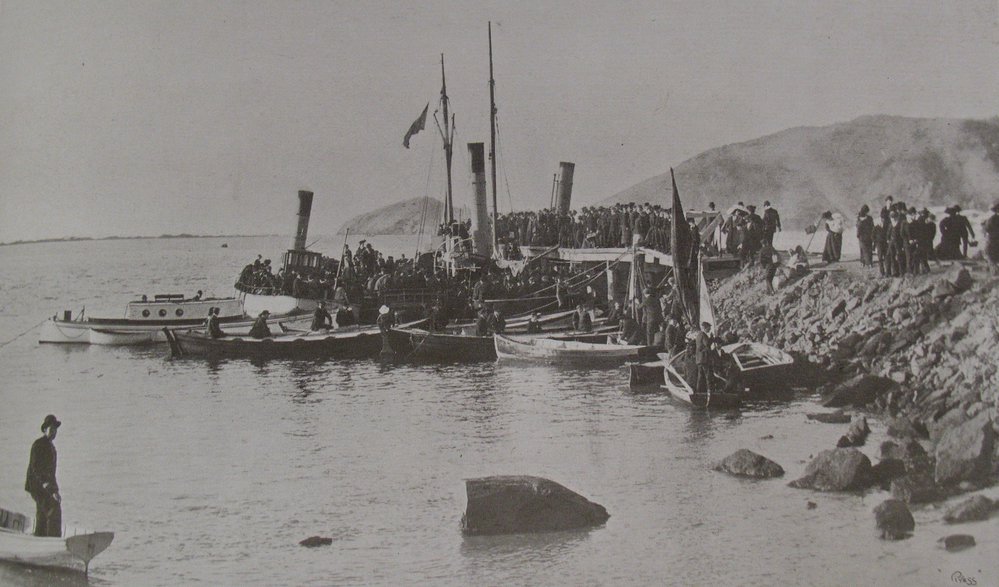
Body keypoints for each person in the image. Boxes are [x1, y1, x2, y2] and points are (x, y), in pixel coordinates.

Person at [25, 415, 61, 537]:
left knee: (43, 511)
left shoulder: (52, 449)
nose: (54, 432)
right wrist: (46, 485)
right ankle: (53, 540)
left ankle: (39, 536)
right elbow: (36, 468)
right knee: (52, 508)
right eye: (51, 429)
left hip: (45, 485)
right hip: (36, 484)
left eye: (55, 430)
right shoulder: (38, 445)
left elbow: (52, 474)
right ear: (45, 430)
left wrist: (56, 490)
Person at [694, 322, 714, 395]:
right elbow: (707, 344)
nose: (710, 329)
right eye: (709, 328)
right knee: (708, 375)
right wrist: (712, 338)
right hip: (704, 359)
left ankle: (698, 391)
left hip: (699, 359)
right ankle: (709, 391)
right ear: (705, 328)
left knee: (700, 376)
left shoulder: (698, 335)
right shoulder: (704, 335)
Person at [985, 202, 999, 275]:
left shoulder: (991, 219)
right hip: (994, 242)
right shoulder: (992, 219)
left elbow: (987, 229)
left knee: (993, 259)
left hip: (993, 241)